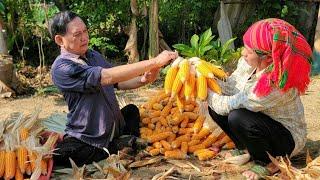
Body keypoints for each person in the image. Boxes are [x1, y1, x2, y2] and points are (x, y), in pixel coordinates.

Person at [48, 11, 178, 167]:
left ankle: (118, 143)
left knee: (131, 111)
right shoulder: (62, 68)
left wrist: (144, 79)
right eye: (77, 34)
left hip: (114, 127)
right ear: (59, 40)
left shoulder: (93, 56)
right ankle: (117, 146)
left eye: (85, 31)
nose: (84, 37)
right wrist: (154, 62)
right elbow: (107, 77)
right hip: (89, 135)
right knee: (62, 155)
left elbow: (118, 82)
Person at [207, 18, 312, 180]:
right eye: (244, 48)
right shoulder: (250, 63)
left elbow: (227, 104)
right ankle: (245, 148)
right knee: (217, 106)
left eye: (248, 52)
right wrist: (206, 78)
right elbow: (230, 86)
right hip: (261, 121)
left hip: (285, 139)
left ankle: (267, 163)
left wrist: (206, 93)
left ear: (269, 58)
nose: (243, 54)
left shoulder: (274, 87)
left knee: (237, 116)